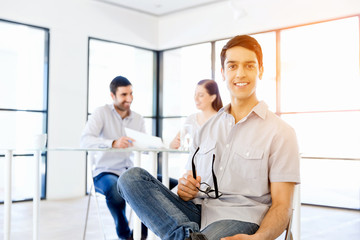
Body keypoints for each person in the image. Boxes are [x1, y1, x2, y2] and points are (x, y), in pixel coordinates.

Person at [117, 35, 300, 240]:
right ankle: (190, 237)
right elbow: (188, 185)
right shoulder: (205, 129)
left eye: (249, 66)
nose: (240, 73)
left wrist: (258, 238)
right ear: (223, 72)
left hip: (240, 218)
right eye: (232, 66)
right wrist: (185, 190)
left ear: (261, 71)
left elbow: (283, 206)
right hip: (195, 212)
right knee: (130, 178)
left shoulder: (281, 132)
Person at [80, 76, 176, 240]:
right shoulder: (101, 113)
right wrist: (113, 142)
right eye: (124, 94)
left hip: (129, 171)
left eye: (131, 94)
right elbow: (85, 140)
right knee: (116, 191)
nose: (129, 99)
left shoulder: (137, 118)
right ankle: (124, 234)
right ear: (113, 96)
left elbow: (144, 147)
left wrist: (158, 144)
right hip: (104, 172)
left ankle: (142, 233)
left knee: (169, 183)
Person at [169, 79, 223, 149]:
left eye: (201, 95)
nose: (196, 98)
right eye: (195, 94)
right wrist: (175, 144)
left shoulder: (221, 119)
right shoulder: (191, 119)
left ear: (212, 98)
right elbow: (172, 146)